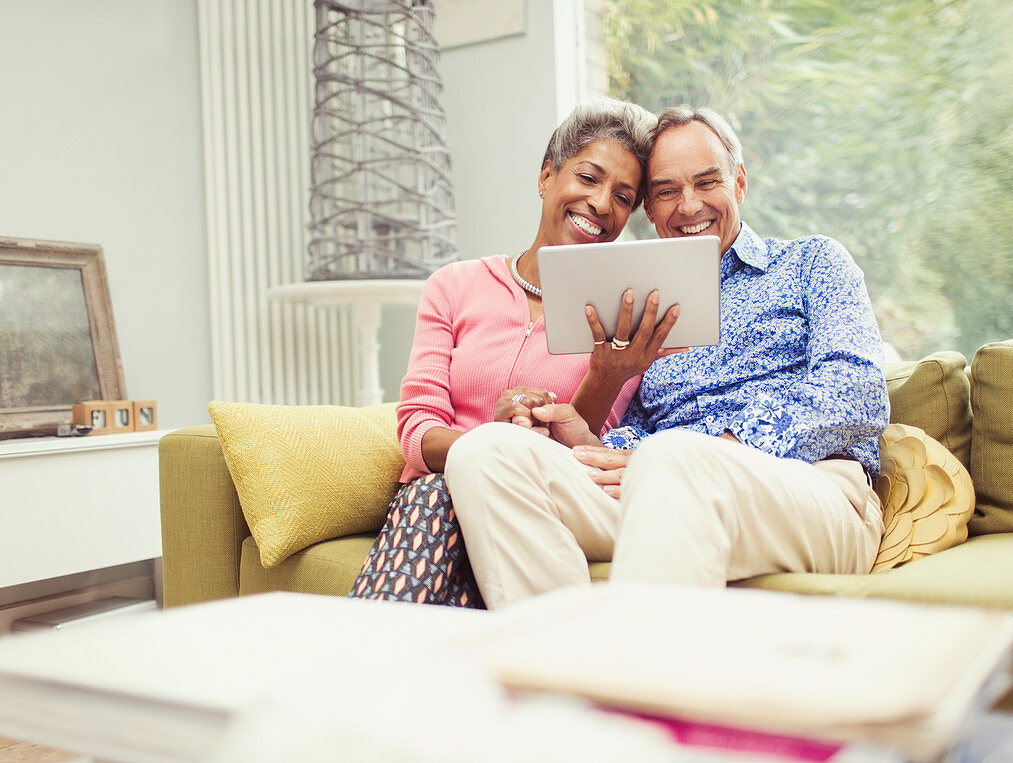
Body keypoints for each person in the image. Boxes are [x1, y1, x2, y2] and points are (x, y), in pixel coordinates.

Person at [444, 106, 889, 609]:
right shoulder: (638, 300)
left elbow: (857, 394)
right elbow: (638, 436)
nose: (690, 204)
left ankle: (638, 680)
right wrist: (586, 440)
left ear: (739, 184)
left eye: (707, 182)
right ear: (650, 212)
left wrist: (715, 447)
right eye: (666, 191)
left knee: (672, 456)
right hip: (659, 487)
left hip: (810, 490)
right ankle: (565, 664)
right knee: (486, 452)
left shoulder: (813, 262)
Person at [348, 98, 679, 608]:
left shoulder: (623, 311)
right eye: (587, 178)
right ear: (547, 176)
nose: (600, 204)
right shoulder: (454, 286)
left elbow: (585, 456)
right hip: (437, 496)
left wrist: (605, 376)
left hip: (532, 500)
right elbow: (417, 430)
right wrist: (491, 440)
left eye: (622, 196)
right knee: (438, 502)